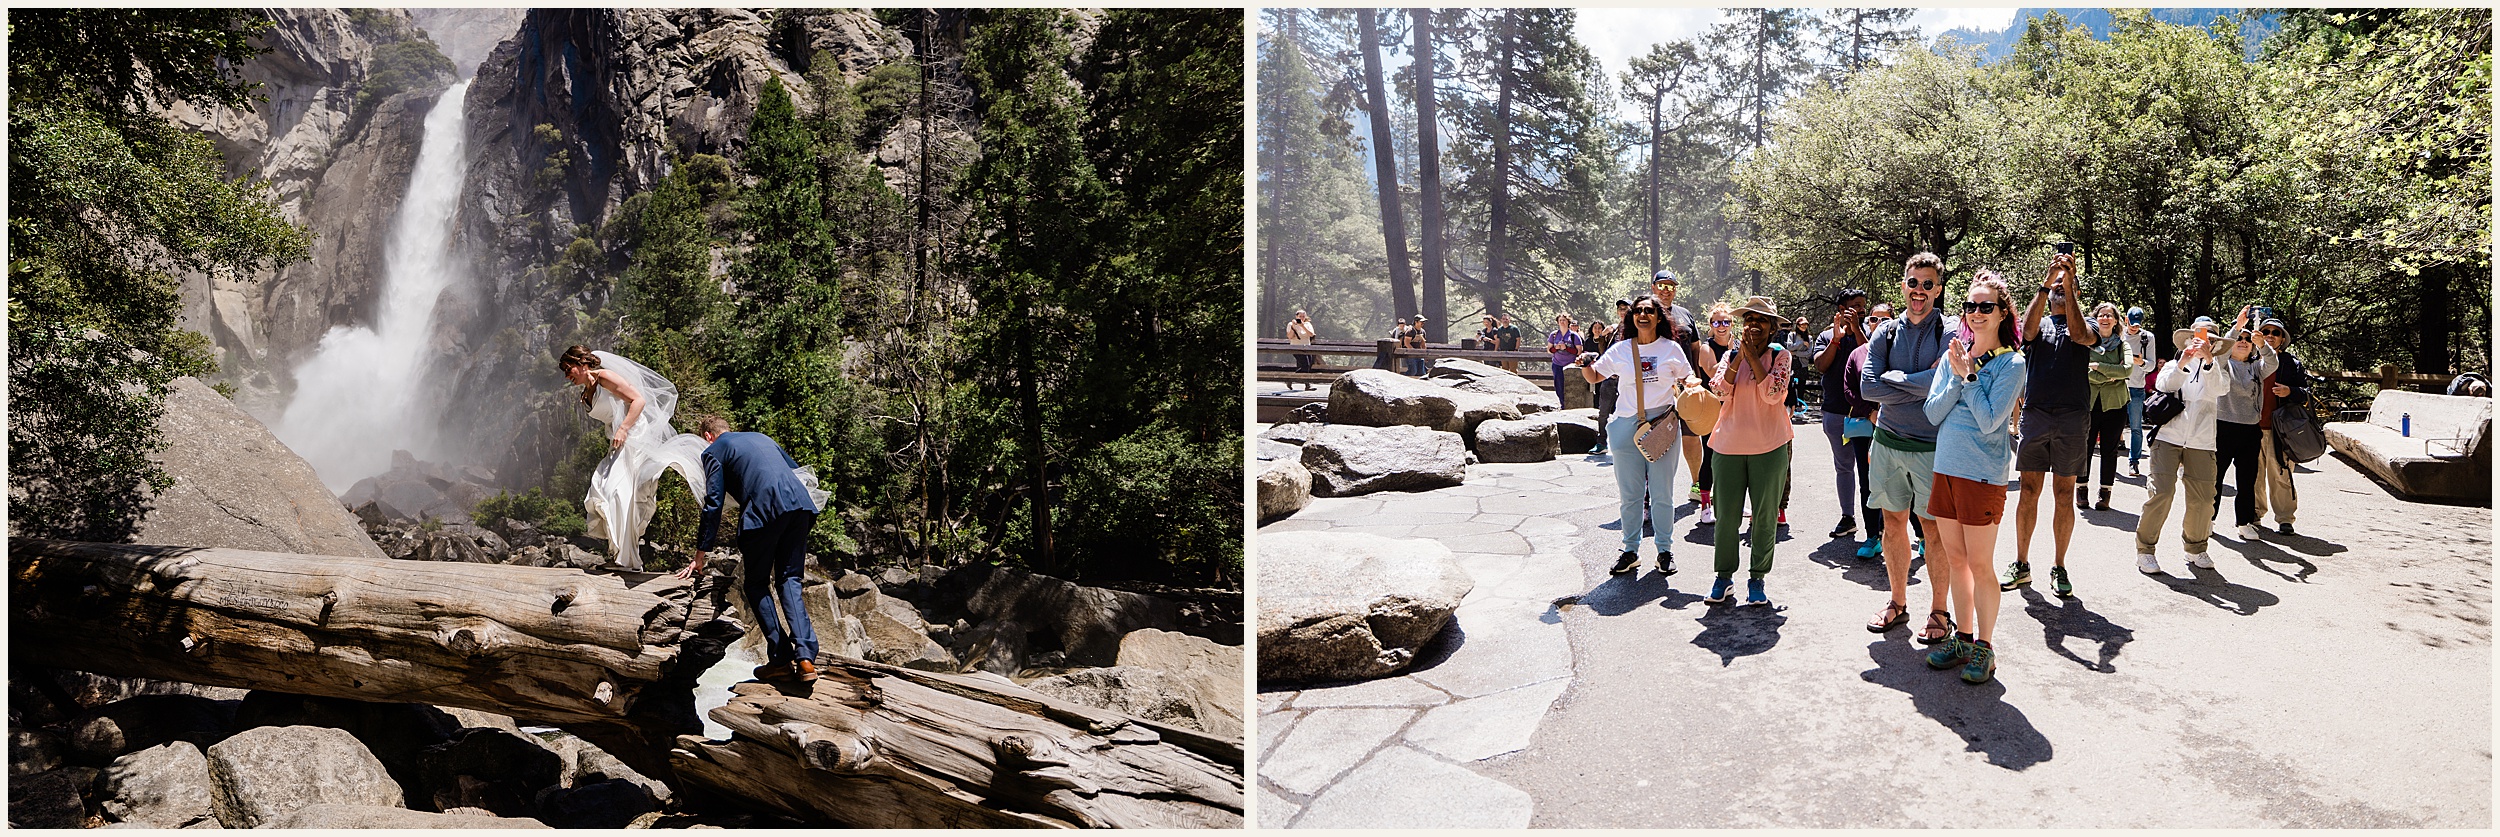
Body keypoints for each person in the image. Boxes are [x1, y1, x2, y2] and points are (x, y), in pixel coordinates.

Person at [1916, 270, 2026, 684]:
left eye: (1985, 306)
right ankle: (1962, 638)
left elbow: (1989, 420)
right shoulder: (1953, 354)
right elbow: (1932, 413)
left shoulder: (2011, 362)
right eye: (1970, 306)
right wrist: (1958, 373)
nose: (1976, 313)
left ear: (2002, 313)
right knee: (1957, 560)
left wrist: (1969, 377)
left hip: (1982, 475)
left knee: (1980, 564)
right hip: (1945, 468)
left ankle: (1985, 646)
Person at [677, 415, 832, 685]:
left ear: (708, 436)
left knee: (757, 584)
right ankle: (806, 658)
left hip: (763, 512)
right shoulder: (762, 437)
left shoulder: (713, 451)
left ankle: (782, 660)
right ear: (728, 430)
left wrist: (700, 555)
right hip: (801, 507)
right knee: (789, 580)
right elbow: (798, 472)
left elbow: (713, 503)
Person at [1861, 253, 1951, 640]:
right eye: (1913, 283)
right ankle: (1897, 603)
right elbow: (1867, 387)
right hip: (1888, 443)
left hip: (1932, 447)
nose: (1919, 291)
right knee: (1893, 524)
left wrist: (1893, 380)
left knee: (1933, 531)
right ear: (1903, 285)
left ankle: (1940, 612)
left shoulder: (1949, 332)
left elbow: (1943, 385)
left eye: (1928, 284)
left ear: (1939, 289)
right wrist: (1916, 382)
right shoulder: (1886, 332)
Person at [2001, 251, 2098, 598]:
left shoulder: (2089, 325)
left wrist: (2068, 287)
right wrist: (2047, 281)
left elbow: (2077, 333)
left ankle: (2059, 566)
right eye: (2055, 284)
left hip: (2073, 417)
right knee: (2028, 491)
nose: (2058, 286)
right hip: (2037, 414)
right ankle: (2022, 564)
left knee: (2064, 494)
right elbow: (2024, 332)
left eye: (2064, 284)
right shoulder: (2039, 321)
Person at [560, 346, 709, 571]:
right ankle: (620, 556)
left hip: (634, 436)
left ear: (582, 364)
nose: (566, 375)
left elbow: (638, 400)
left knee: (618, 493)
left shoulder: (604, 377)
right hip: (618, 441)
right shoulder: (585, 393)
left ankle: (627, 560)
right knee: (605, 490)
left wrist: (624, 429)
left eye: (568, 368)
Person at [1582, 294, 1697, 577]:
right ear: (1631, 317)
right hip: (1625, 427)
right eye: (1638, 311)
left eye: (1649, 311)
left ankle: (1664, 551)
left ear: (1659, 317)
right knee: (1630, 496)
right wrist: (1585, 363)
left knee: (1662, 494)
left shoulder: (1671, 348)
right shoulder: (1621, 349)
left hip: (1662, 426)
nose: (1642, 315)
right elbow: (1595, 376)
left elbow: (1688, 377)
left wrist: (1696, 387)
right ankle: (1630, 551)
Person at [1702, 297, 1796, 606]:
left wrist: (1754, 358)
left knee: (1765, 516)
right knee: (1726, 516)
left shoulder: (1781, 357)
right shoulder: (1730, 355)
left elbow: (1772, 394)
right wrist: (1739, 358)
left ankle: (1757, 578)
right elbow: (1718, 390)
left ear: (1772, 329)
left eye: (1762, 321)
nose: (1754, 325)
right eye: (1750, 319)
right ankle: (1724, 576)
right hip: (1728, 447)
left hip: (1769, 447)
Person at [2136, 317, 2231, 574]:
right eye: (2199, 337)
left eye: (2210, 339)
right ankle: (2145, 550)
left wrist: (2209, 360)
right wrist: (2183, 362)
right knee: (2162, 493)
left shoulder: (2220, 368)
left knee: (2202, 500)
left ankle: (2196, 548)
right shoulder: (2174, 364)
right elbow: (2163, 385)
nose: (2203, 342)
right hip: (2168, 437)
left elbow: (2219, 390)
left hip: (2202, 441)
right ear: (2189, 338)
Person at [2208, 306, 2279, 540]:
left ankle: (2245, 521)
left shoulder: (2257, 368)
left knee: (2247, 479)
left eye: (2248, 339)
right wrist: (2237, 327)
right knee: (2215, 477)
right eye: (2240, 338)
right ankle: (2208, 519)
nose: (2243, 341)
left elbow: (2273, 363)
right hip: (2223, 427)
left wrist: (2262, 344)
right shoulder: (2223, 364)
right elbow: (2219, 351)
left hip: (2250, 430)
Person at [1812, 289, 1871, 539]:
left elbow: (1870, 357)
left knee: (1870, 469)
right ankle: (1848, 517)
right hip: (1835, 412)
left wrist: (1857, 330)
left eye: (1863, 306)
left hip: (1867, 414)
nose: (1860, 311)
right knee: (1844, 467)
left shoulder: (1871, 333)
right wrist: (1836, 339)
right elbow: (1821, 366)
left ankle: (1875, 522)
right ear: (1841, 310)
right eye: (1855, 306)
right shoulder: (1826, 336)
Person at [1650, 271, 1716, 493]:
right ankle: (1653, 493)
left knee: (1691, 436)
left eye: (1670, 286)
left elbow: (1696, 348)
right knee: (1657, 439)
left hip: (1687, 386)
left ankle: (1697, 484)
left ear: (1675, 290)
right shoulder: (1645, 314)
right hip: (1658, 388)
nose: (1666, 291)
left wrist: (1699, 380)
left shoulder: (1685, 315)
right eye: (1662, 285)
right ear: (1653, 287)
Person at [2251, 318, 2309, 534]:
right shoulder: (2250, 358)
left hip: (2281, 430)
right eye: (2266, 331)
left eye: (2276, 332)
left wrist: (2290, 392)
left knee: (2281, 473)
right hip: (2252, 427)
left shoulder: (2292, 364)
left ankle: (2285, 519)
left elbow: (2307, 394)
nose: (2270, 335)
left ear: (2282, 339)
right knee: (2253, 474)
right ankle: (2255, 513)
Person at [2081, 302, 2134, 511]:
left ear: (2115, 321)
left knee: (2110, 450)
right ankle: (2081, 489)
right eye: (2101, 315)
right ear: (2095, 319)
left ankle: (2105, 493)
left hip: (2115, 405)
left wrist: (2097, 367)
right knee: (2084, 448)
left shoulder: (2123, 345)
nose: (2105, 318)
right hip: (2088, 403)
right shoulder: (2084, 344)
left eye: (2109, 316)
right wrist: (2111, 373)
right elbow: (2080, 370)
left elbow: (2127, 370)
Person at [1692, 303, 1740, 525]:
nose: (1722, 327)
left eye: (1726, 322)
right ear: (1710, 325)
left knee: (1733, 456)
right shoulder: (1706, 348)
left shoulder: (1739, 344)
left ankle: (1727, 503)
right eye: (1717, 322)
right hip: (1712, 408)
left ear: (1732, 323)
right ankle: (1705, 505)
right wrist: (1735, 355)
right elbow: (1715, 375)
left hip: (1735, 406)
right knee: (1710, 455)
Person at [2122, 307, 2157, 477]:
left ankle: (2133, 462)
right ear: (2125, 319)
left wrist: (2140, 362)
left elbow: (2151, 364)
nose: (2134, 328)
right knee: (2111, 426)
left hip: (2136, 387)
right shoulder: (2118, 334)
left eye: (2138, 324)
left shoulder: (2147, 337)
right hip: (2117, 386)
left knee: (2136, 427)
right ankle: (2110, 460)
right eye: (2131, 324)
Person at [1588, 306, 1622, 436]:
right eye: (1620, 309)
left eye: (1626, 309)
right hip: (1609, 375)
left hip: (1626, 377)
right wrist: (1603, 333)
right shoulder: (1613, 329)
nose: (1623, 312)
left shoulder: (1636, 331)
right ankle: (1602, 440)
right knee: (1603, 410)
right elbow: (1600, 344)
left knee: (1624, 410)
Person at [1546, 314, 1581, 400]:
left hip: (1570, 365)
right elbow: (1549, 350)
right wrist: (1556, 348)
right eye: (1560, 320)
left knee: (1571, 385)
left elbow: (1579, 351)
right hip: (1557, 364)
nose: (1562, 322)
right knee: (1558, 386)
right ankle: (1561, 403)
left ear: (1568, 322)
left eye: (1564, 320)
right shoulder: (1553, 335)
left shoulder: (1574, 336)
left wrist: (1567, 348)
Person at [1287, 309, 1319, 389]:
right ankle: (1305, 383)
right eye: (1300, 316)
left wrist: (1302, 326)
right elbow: (1290, 337)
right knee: (1305, 365)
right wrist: (1293, 327)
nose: (1301, 318)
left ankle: (1294, 380)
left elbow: (1311, 334)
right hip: (1296, 347)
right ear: (1296, 316)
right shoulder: (1291, 324)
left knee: (1308, 365)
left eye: (1303, 316)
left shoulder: (1307, 324)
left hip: (1307, 347)